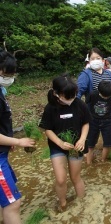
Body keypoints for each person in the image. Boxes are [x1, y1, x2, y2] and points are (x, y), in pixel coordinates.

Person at [39, 75, 91, 211]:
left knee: (75, 177)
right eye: (67, 96)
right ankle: (63, 204)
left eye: (73, 95)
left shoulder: (79, 104)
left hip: (76, 146)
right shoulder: (50, 108)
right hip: (57, 147)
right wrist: (60, 143)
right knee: (61, 179)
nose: (70, 99)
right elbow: (47, 129)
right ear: (57, 93)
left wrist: (82, 139)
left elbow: (86, 123)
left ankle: (82, 205)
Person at [0, 49, 36, 224]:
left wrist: (8, 140)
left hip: (2, 153)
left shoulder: (1, 92)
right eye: (6, 74)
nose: (9, 78)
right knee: (13, 203)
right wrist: (17, 141)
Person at [77, 48, 111, 153]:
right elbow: (79, 92)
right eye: (92, 58)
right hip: (93, 112)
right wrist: (75, 107)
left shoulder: (108, 73)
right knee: (92, 136)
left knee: (110, 134)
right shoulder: (86, 74)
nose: (95, 60)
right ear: (89, 61)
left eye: (98, 58)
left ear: (103, 60)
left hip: (109, 110)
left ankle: (109, 152)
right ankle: (90, 153)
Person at [85, 80, 111, 164]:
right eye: (103, 96)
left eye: (107, 97)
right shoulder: (93, 94)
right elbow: (86, 104)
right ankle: (89, 163)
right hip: (93, 121)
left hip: (107, 121)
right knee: (90, 143)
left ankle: (103, 161)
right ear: (99, 91)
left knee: (108, 143)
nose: (105, 98)